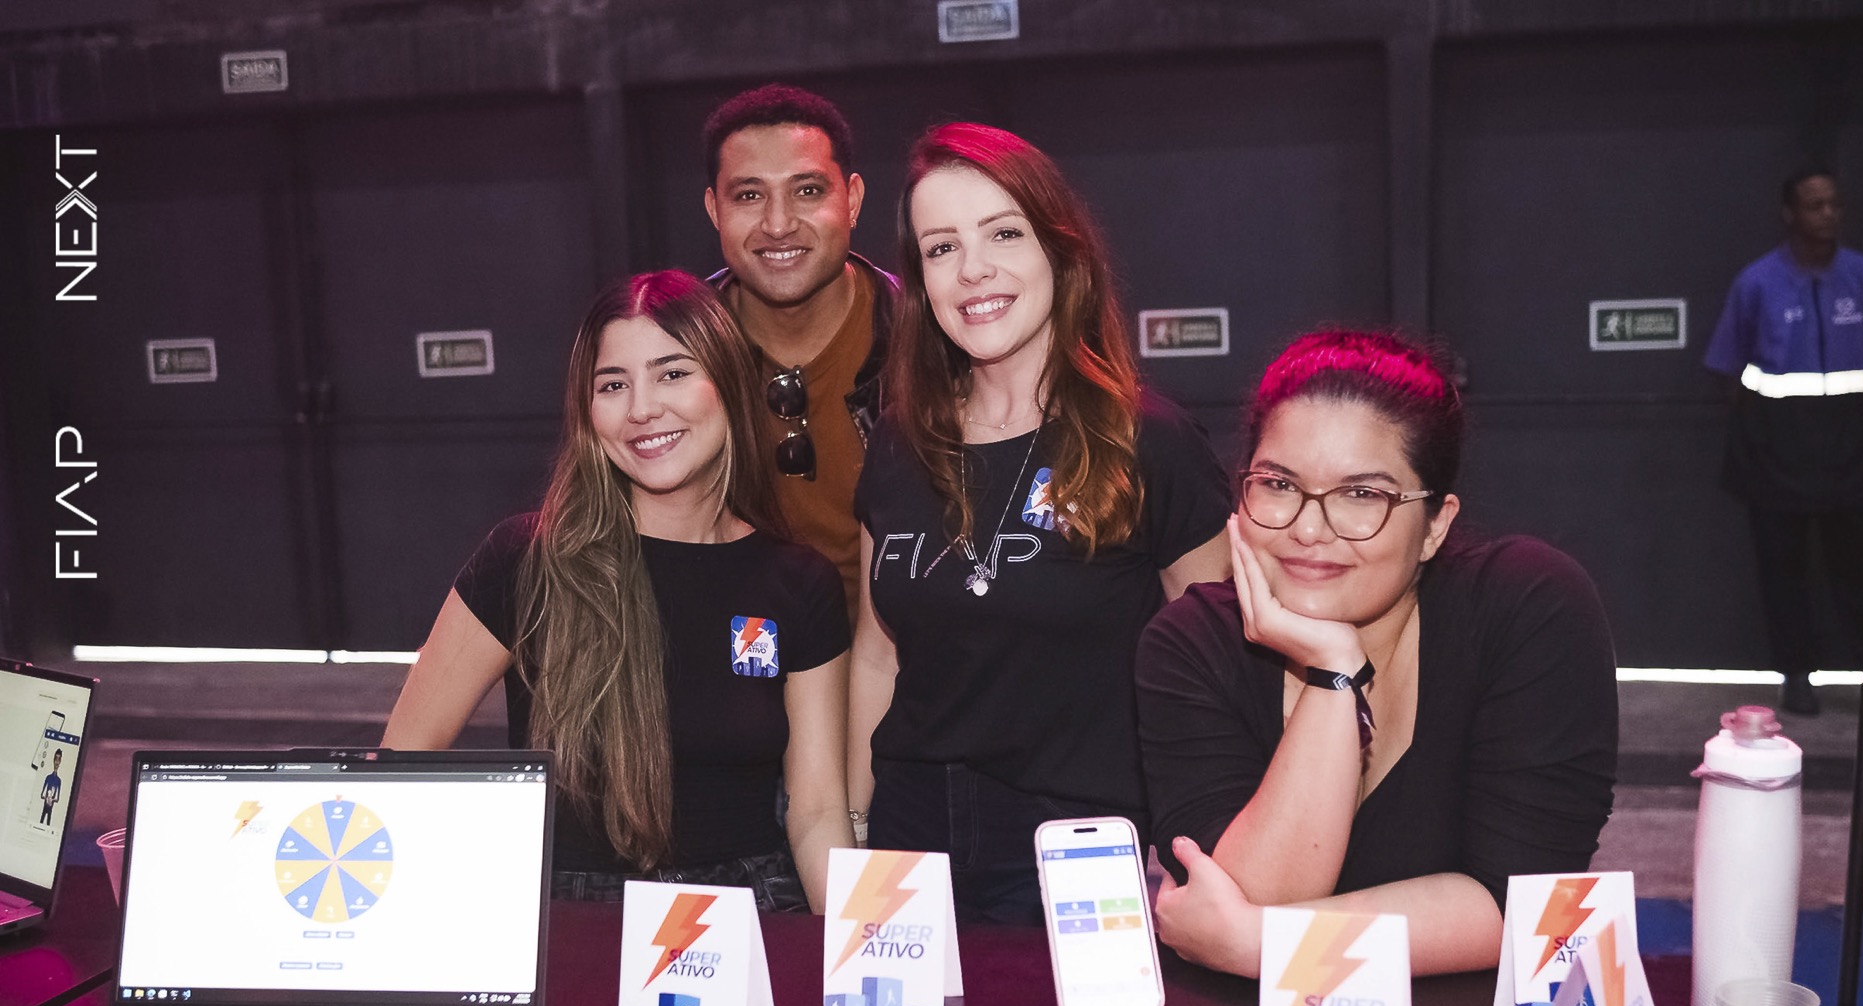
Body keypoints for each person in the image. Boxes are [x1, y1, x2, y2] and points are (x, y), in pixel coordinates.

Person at [1137, 330, 1618, 977]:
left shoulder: (1526, 607)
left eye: (1363, 495)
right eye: (1278, 484)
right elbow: (1255, 893)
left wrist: (1262, 945)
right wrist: (1334, 670)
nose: (1309, 528)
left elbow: (1529, 908)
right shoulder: (1189, 644)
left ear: (1436, 525)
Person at [850, 122, 1232, 926]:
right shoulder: (896, 440)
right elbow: (878, 656)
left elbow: (1220, 669)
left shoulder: (1150, 442)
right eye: (942, 248)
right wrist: (854, 825)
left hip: (1080, 842)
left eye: (1003, 233)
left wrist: (1195, 838)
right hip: (909, 840)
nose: (973, 269)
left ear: (1060, 251)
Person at [384, 271, 853, 909]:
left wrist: (850, 947)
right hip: (575, 918)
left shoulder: (798, 582)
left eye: (673, 373)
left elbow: (818, 810)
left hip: (747, 916)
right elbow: (404, 761)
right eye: (612, 385)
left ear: (729, 383)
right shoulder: (526, 561)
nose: (641, 409)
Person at [1703, 166, 1863, 725]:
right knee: (1784, 573)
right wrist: (1761, 436)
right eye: (1814, 205)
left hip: (1848, 451)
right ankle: (1797, 675)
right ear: (1790, 213)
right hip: (1778, 453)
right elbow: (1730, 371)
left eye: (1834, 204)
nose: (1827, 214)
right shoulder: (1757, 283)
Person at [703, 84, 901, 618]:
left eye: (807, 191)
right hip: (733, 654)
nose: (778, 224)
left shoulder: (931, 342)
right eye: (749, 196)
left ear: (852, 200)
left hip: (914, 654)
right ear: (714, 209)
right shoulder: (677, 352)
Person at [39, 749, 62, 826]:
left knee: (48, 821)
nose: (57, 762)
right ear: (53, 760)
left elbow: (57, 798)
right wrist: (45, 797)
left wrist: (53, 799)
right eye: (56, 759)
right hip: (46, 802)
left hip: (51, 804)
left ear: (60, 761)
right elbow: (42, 793)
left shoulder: (58, 781)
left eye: (59, 759)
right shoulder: (48, 777)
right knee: (42, 819)